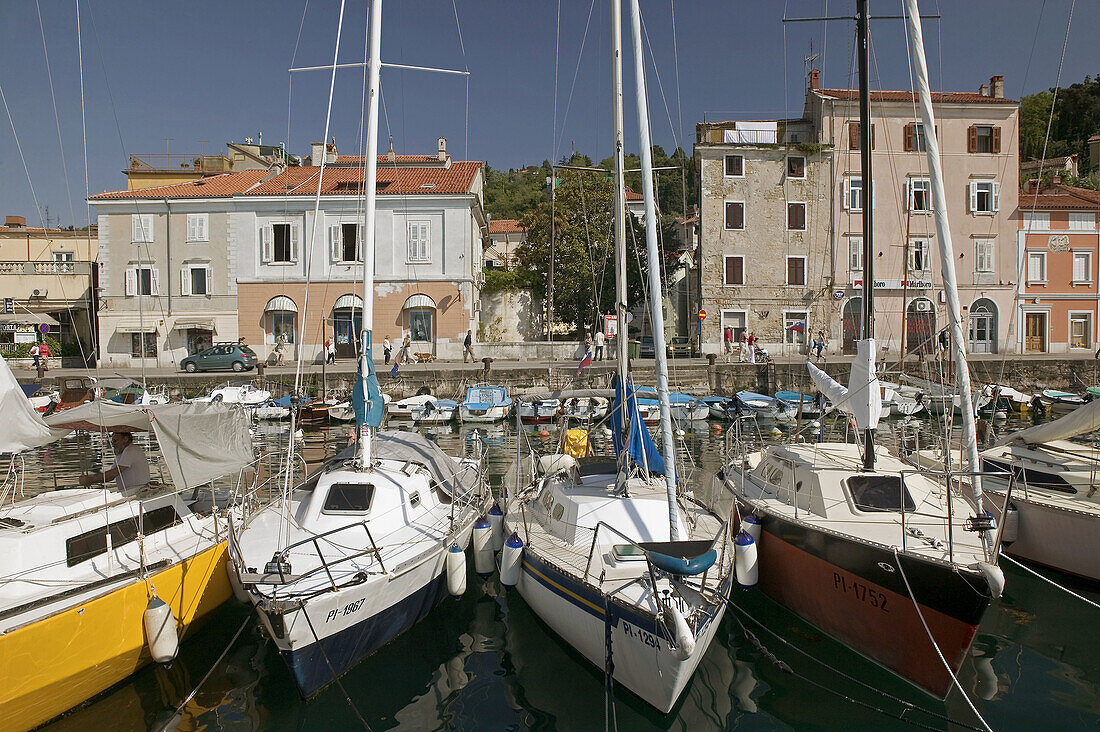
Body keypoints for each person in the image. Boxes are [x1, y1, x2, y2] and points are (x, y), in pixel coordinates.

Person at [79, 431, 150, 494]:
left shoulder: (131, 450)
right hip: (130, 492)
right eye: (112, 441)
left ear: (125, 439)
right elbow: (110, 476)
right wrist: (91, 479)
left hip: (139, 492)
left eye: (115, 441)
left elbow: (114, 473)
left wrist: (90, 479)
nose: (112, 444)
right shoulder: (121, 454)